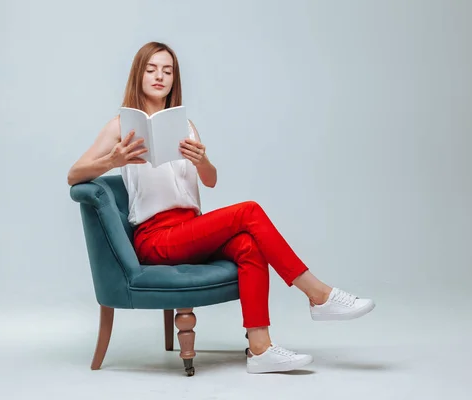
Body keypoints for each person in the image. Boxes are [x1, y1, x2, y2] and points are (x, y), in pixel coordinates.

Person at [67, 41, 375, 374]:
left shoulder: (184, 125)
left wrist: (203, 161)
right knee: (249, 211)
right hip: (155, 238)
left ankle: (260, 350)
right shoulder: (120, 127)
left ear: (175, 79)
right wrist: (111, 160)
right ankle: (318, 294)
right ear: (138, 74)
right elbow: (74, 175)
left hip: (189, 228)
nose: (159, 77)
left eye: (167, 71)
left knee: (248, 244)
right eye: (151, 69)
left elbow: (210, 181)